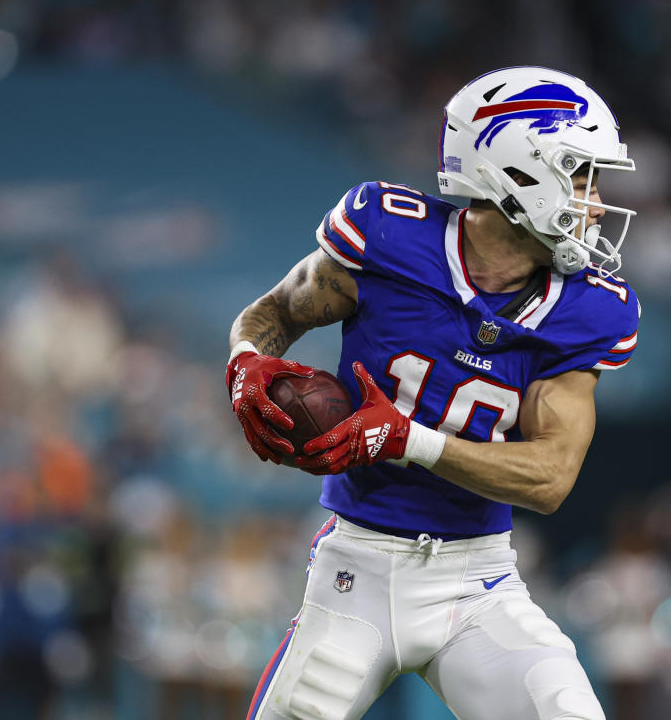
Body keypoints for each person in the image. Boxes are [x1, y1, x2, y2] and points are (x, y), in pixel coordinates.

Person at [226, 66, 641, 720]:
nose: (594, 202)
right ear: (518, 170)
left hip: (477, 583)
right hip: (355, 567)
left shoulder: (588, 310)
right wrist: (246, 361)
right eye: (582, 175)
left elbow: (551, 477)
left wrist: (407, 439)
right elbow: (275, 313)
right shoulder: (389, 238)